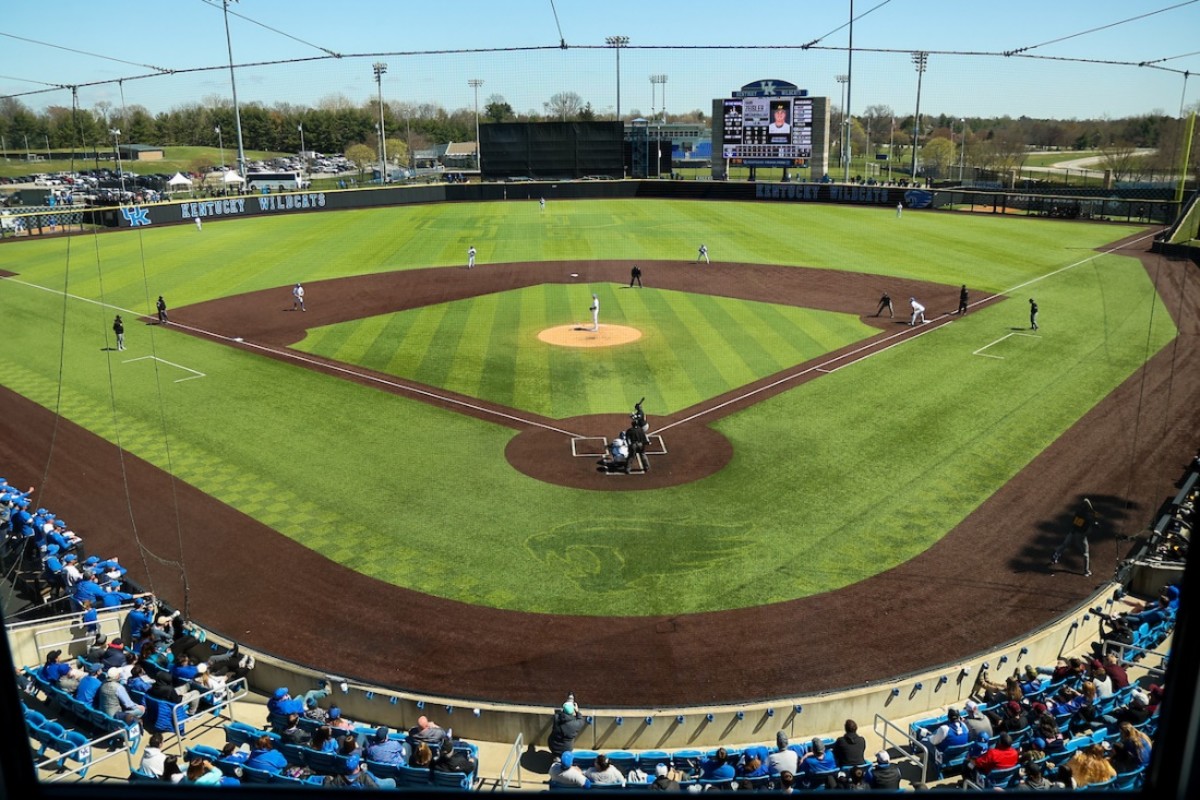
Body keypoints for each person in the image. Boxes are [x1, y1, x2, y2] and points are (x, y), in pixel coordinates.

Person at [1050, 497, 1096, 577]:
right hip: (1081, 536)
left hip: (1072, 532)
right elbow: (1091, 523)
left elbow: (1076, 523)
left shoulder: (1078, 512)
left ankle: (1055, 556)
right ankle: (1086, 571)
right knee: (1086, 553)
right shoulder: (1088, 516)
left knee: (1065, 544)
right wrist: (1095, 523)